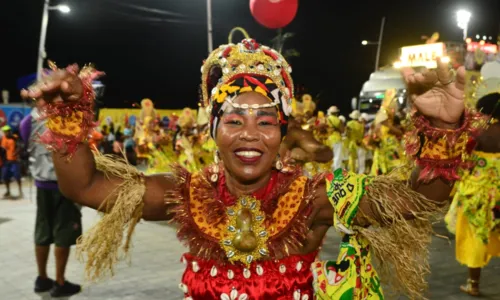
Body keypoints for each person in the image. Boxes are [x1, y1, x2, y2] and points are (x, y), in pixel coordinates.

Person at [22, 42, 480, 299]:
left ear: (282, 133)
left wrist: (442, 131)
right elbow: (85, 185)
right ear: (213, 131)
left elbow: (420, 202)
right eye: (235, 120)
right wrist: (68, 114)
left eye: (265, 122)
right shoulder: (186, 195)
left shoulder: (316, 196)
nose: (249, 134)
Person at [19, 100, 82, 297]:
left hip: (40, 184)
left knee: (43, 230)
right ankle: (60, 282)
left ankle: (42, 279)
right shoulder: (67, 118)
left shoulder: (28, 121)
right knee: (63, 231)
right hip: (62, 184)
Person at [445, 92, 500, 296]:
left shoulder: (478, 133)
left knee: (475, 236)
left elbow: (463, 161)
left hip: (478, 192)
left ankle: (473, 284)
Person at [1, 125, 22, 198]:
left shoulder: (15, 137)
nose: (7, 132)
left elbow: (20, 146)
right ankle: (8, 191)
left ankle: (20, 191)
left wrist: (16, 152)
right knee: (5, 177)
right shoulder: (2, 139)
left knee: (17, 176)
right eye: (5, 131)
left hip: (14, 160)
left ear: (10, 131)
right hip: (6, 161)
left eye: (8, 131)